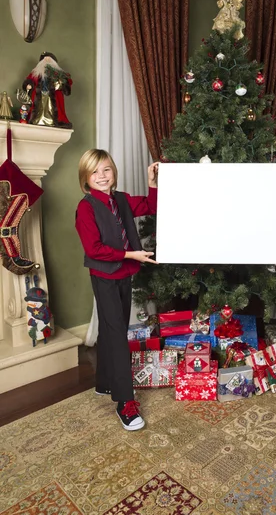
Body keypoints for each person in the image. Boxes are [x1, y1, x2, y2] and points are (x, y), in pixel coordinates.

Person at [75, 149, 159, 431]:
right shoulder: (86, 207)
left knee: (114, 327)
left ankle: (103, 382)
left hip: (124, 273)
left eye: (106, 170)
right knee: (117, 333)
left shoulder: (121, 200)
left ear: (114, 173)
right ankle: (125, 402)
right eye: (95, 171)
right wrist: (130, 255)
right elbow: (94, 249)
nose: (102, 176)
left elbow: (151, 205)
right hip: (105, 275)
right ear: (86, 177)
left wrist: (152, 181)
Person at [23, 52, 72, 128]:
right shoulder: (36, 73)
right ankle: (36, 120)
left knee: (52, 108)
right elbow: (30, 80)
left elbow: (67, 82)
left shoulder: (58, 73)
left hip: (52, 95)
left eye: (49, 59)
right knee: (39, 109)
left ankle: (53, 121)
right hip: (40, 95)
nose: (47, 61)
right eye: (45, 59)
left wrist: (61, 84)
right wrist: (28, 85)